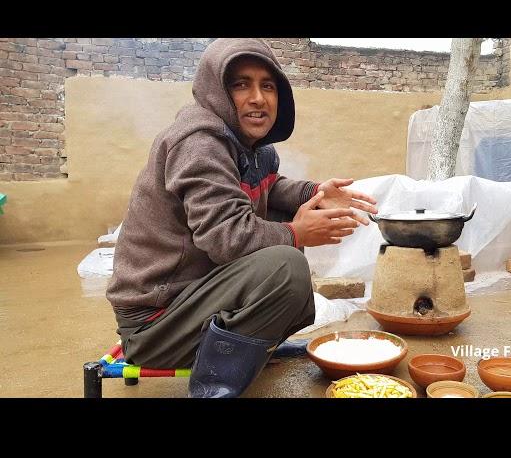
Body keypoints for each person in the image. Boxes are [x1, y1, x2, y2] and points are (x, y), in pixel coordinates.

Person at [105, 38, 378, 398]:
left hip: (193, 298)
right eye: (240, 84)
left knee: (283, 251)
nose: (258, 98)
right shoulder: (199, 142)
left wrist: (314, 193)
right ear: (214, 90)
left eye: (268, 85)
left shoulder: (253, 148)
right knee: (284, 267)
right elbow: (226, 237)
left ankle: (245, 346)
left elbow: (269, 186)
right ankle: (213, 389)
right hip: (156, 322)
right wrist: (296, 233)